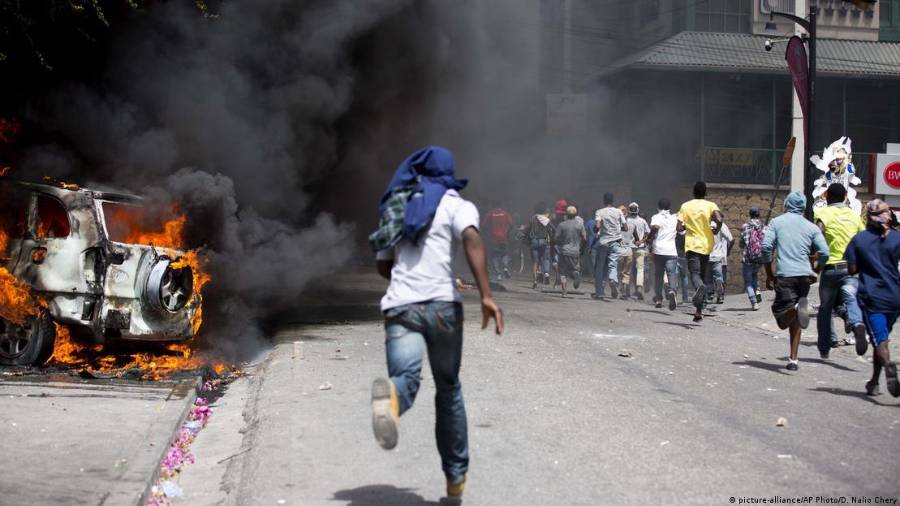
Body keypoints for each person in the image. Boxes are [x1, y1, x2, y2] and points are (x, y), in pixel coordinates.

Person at [371, 146, 504, 499]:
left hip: (401, 307)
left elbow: (384, 265)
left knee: (405, 378)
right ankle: (455, 481)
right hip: (444, 308)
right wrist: (486, 294)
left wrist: (406, 279)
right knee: (448, 390)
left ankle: (393, 401)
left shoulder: (397, 207)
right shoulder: (457, 205)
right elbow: (472, 238)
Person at [762, 191, 829, 372]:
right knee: (797, 321)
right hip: (804, 278)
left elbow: (766, 247)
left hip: (785, 275)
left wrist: (769, 273)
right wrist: (817, 269)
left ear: (786, 205)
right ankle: (793, 359)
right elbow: (825, 252)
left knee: (782, 317)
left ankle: (796, 310)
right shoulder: (811, 227)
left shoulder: (777, 223)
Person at [845, 199, 900, 397]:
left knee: (880, 340)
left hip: (872, 298)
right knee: (881, 338)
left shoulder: (859, 240)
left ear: (867, 218)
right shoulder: (896, 238)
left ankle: (888, 365)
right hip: (895, 298)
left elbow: (852, 269)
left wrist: (865, 264)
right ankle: (874, 382)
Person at [814, 183, 866, 359]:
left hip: (830, 268)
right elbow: (863, 240)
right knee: (851, 299)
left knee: (825, 308)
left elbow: (818, 237)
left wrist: (816, 262)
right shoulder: (854, 216)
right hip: (851, 268)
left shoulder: (822, 214)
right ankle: (857, 324)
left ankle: (825, 347)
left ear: (827, 196)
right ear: (845, 197)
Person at [676, 182, 723, 322]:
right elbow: (719, 218)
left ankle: (700, 287)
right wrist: (717, 229)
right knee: (702, 275)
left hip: (692, 246)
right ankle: (699, 311)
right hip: (706, 246)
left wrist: (685, 226)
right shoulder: (710, 205)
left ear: (693, 192)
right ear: (705, 193)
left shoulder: (685, 206)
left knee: (695, 276)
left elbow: (678, 228)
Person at [592, 192, 628, 299]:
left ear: (604, 200)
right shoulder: (618, 212)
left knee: (600, 268)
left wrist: (596, 229)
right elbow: (625, 228)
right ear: (613, 201)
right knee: (612, 264)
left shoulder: (600, 212)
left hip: (603, 242)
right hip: (616, 242)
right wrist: (617, 229)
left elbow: (597, 227)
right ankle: (613, 280)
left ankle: (599, 292)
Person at [647, 198, 679, 310]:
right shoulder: (675, 218)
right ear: (670, 208)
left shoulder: (656, 217)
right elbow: (681, 231)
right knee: (671, 274)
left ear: (658, 207)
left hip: (659, 251)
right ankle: (672, 291)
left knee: (659, 275)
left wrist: (649, 238)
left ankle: (659, 299)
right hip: (671, 251)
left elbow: (655, 227)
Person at [554, 205, 586, 297]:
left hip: (564, 251)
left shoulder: (562, 225)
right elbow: (584, 238)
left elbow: (555, 238)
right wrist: (581, 248)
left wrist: (559, 243)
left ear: (566, 214)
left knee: (562, 272)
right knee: (575, 268)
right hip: (575, 252)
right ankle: (576, 274)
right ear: (576, 214)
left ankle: (564, 291)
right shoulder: (580, 225)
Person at [621, 202, 650, 300]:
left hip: (628, 248)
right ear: (638, 210)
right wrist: (642, 241)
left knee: (626, 270)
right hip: (640, 248)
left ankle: (625, 288)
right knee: (640, 269)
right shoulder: (643, 221)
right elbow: (648, 233)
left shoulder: (626, 221)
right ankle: (639, 289)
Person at [739, 207, 765, 310]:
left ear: (750, 215)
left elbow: (742, 243)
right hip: (759, 258)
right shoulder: (763, 226)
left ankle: (754, 302)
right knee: (755, 276)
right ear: (759, 215)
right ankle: (757, 290)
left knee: (748, 281)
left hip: (748, 258)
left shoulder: (745, 226)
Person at [527, 203, 553, 289]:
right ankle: (546, 274)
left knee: (535, 261)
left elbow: (527, 229)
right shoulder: (546, 220)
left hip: (534, 241)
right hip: (544, 241)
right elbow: (552, 230)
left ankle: (535, 280)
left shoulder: (532, 218)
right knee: (545, 258)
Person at [485, 204, 513, 282]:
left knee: (495, 257)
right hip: (504, 238)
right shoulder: (505, 213)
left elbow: (484, 224)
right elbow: (511, 225)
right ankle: (505, 268)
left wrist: (488, 233)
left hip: (494, 238)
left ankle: (499, 275)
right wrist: (507, 233)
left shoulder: (490, 213)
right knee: (505, 254)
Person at [708, 221, 734, 305]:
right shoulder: (722, 226)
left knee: (708, 276)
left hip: (708, 255)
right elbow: (731, 240)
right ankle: (721, 296)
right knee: (721, 276)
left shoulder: (706, 224)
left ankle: (710, 294)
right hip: (721, 256)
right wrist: (728, 251)